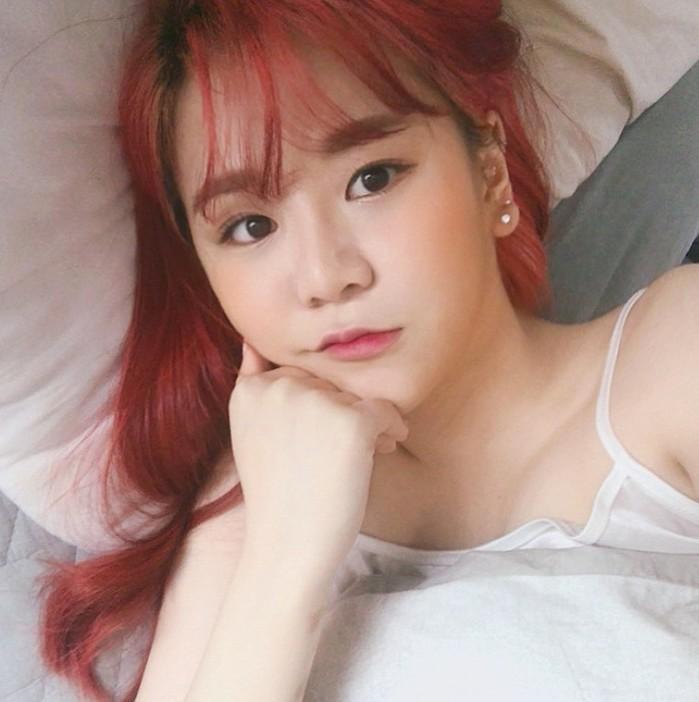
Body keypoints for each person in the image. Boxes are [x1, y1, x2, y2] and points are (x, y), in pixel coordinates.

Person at [36, 1, 699, 701]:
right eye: (250, 226)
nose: (326, 276)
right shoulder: (257, 497)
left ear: (489, 171)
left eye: (372, 178)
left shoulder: (671, 355)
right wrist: (285, 562)